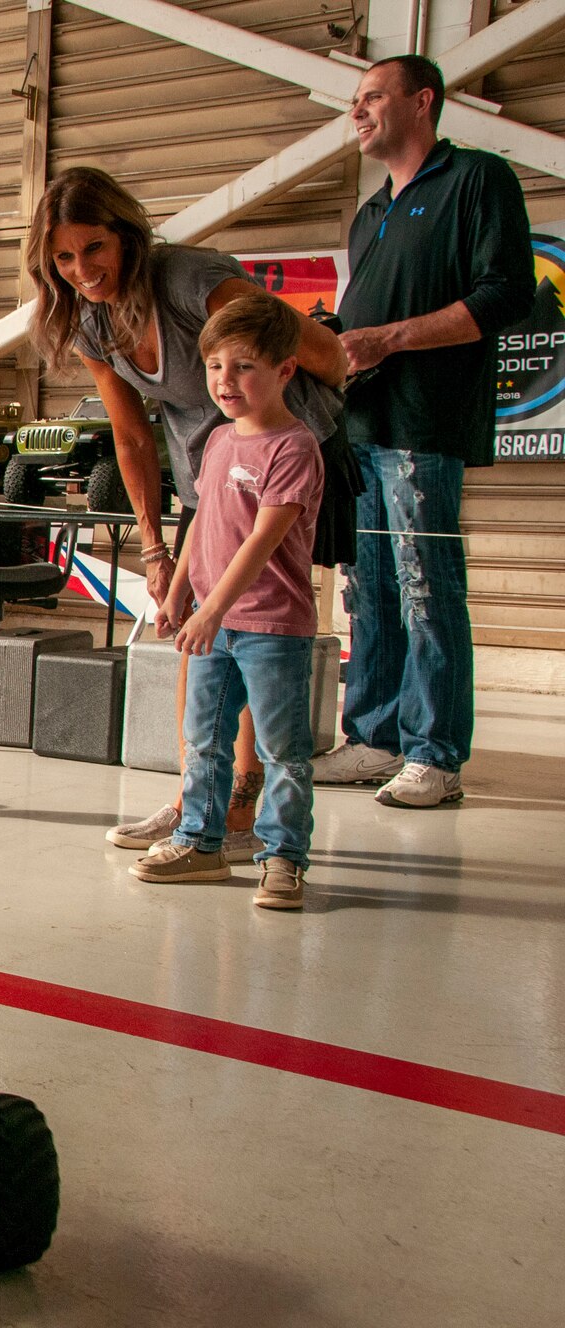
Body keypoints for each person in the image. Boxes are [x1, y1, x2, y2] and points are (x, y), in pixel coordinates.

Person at [23, 165, 347, 861]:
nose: (82, 269)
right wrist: (154, 546)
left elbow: (324, 355)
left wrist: (272, 442)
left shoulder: (192, 280)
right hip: (206, 475)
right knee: (191, 629)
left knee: (257, 625)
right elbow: (133, 436)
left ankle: (244, 796)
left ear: (126, 236)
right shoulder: (90, 320)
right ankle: (192, 800)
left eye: (94, 249)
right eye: (64, 258)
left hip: (278, 464)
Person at [312, 56, 535, 808]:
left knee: (424, 587)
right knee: (367, 590)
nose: (358, 110)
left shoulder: (476, 180)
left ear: (422, 101)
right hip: (362, 427)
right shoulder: (370, 211)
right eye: (356, 99)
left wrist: (391, 340)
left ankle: (435, 754)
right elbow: (363, 318)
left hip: (425, 426)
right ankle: (375, 738)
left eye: (373, 95)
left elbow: (506, 295)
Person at [131, 296, 326, 910]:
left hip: (271, 628)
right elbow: (200, 524)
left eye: (243, 367)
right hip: (211, 623)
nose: (224, 382)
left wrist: (212, 608)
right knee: (205, 738)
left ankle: (283, 856)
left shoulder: (293, 449)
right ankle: (201, 843)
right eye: (215, 366)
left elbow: (263, 542)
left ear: (285, 371)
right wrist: (179, 594)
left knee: (281, 750)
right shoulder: (216, 441)